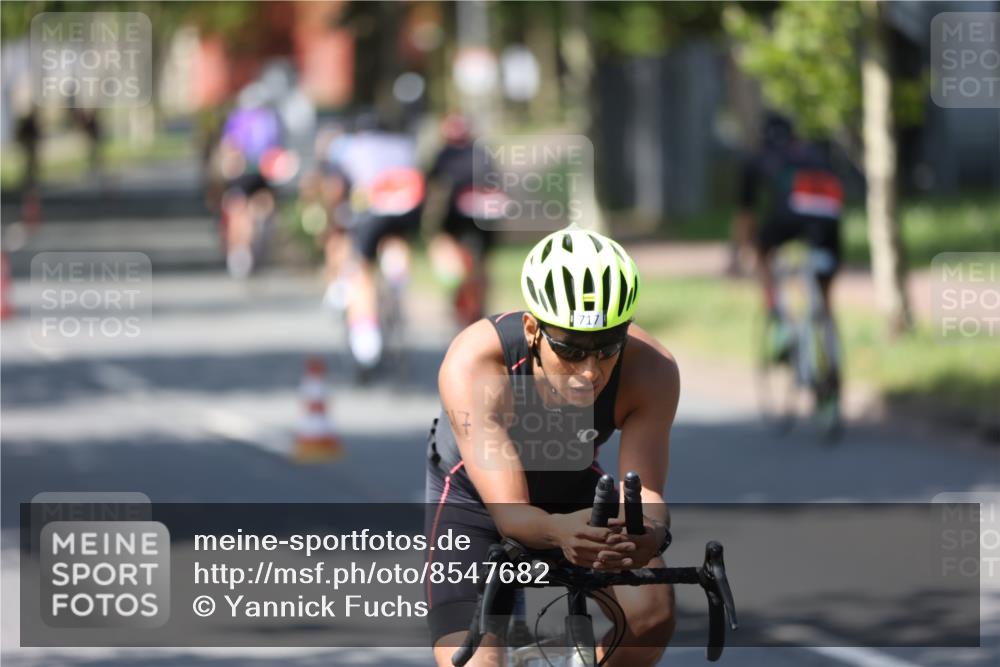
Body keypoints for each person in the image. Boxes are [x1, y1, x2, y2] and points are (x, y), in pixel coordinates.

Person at [425, 226, 679, 667]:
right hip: (477, 502)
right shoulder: (476, 362)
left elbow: (650, 497)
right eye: (571, 348)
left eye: (607, 347)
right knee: (472, 661)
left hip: (572, 487)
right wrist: (560, 533)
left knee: (652, 612)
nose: (590, 371)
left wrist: (646, 533)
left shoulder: (651, 371)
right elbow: (509, 514)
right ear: (533, 329)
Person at [734, 114, 844, 406]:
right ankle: (831, 353)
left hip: (789, 218)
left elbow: (746, 216)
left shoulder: (759, 159)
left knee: (761, 252)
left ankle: (777, 315)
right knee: (824, 295)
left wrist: (741, 252)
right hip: (830, 220)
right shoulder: (814, 154)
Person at [323, 114, 425, 372]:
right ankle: (396, 267)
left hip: (372, 210)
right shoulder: (403, 144)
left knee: (362, 269)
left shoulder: (348, 147)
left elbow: (337, 189)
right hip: (407, 207)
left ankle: (366, 337)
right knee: (395, 236)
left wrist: (335, 218)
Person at [425, 114, 498, 326]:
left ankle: (467, 298)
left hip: (460, 219)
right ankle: (475, 300)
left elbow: (432, 184)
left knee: (459, 260)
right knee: (480, 265)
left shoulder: (444, 155)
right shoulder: (481, 153)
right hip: (480, 218)